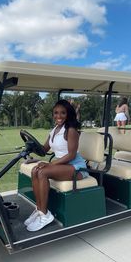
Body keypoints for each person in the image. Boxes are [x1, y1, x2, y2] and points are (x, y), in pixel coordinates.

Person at [25, 99, 89, 232]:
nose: (58, 116)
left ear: (68, 114)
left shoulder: (71, 130)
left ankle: (45, 214)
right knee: (35, 170)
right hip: (62, 165)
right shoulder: (54, 130)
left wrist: (50, 164)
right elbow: (44, 149)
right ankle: (39, 209)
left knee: (42, 172)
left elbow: (71, 155)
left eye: (62, 113)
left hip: (76, 167)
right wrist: (33, 152)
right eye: (56, 113)